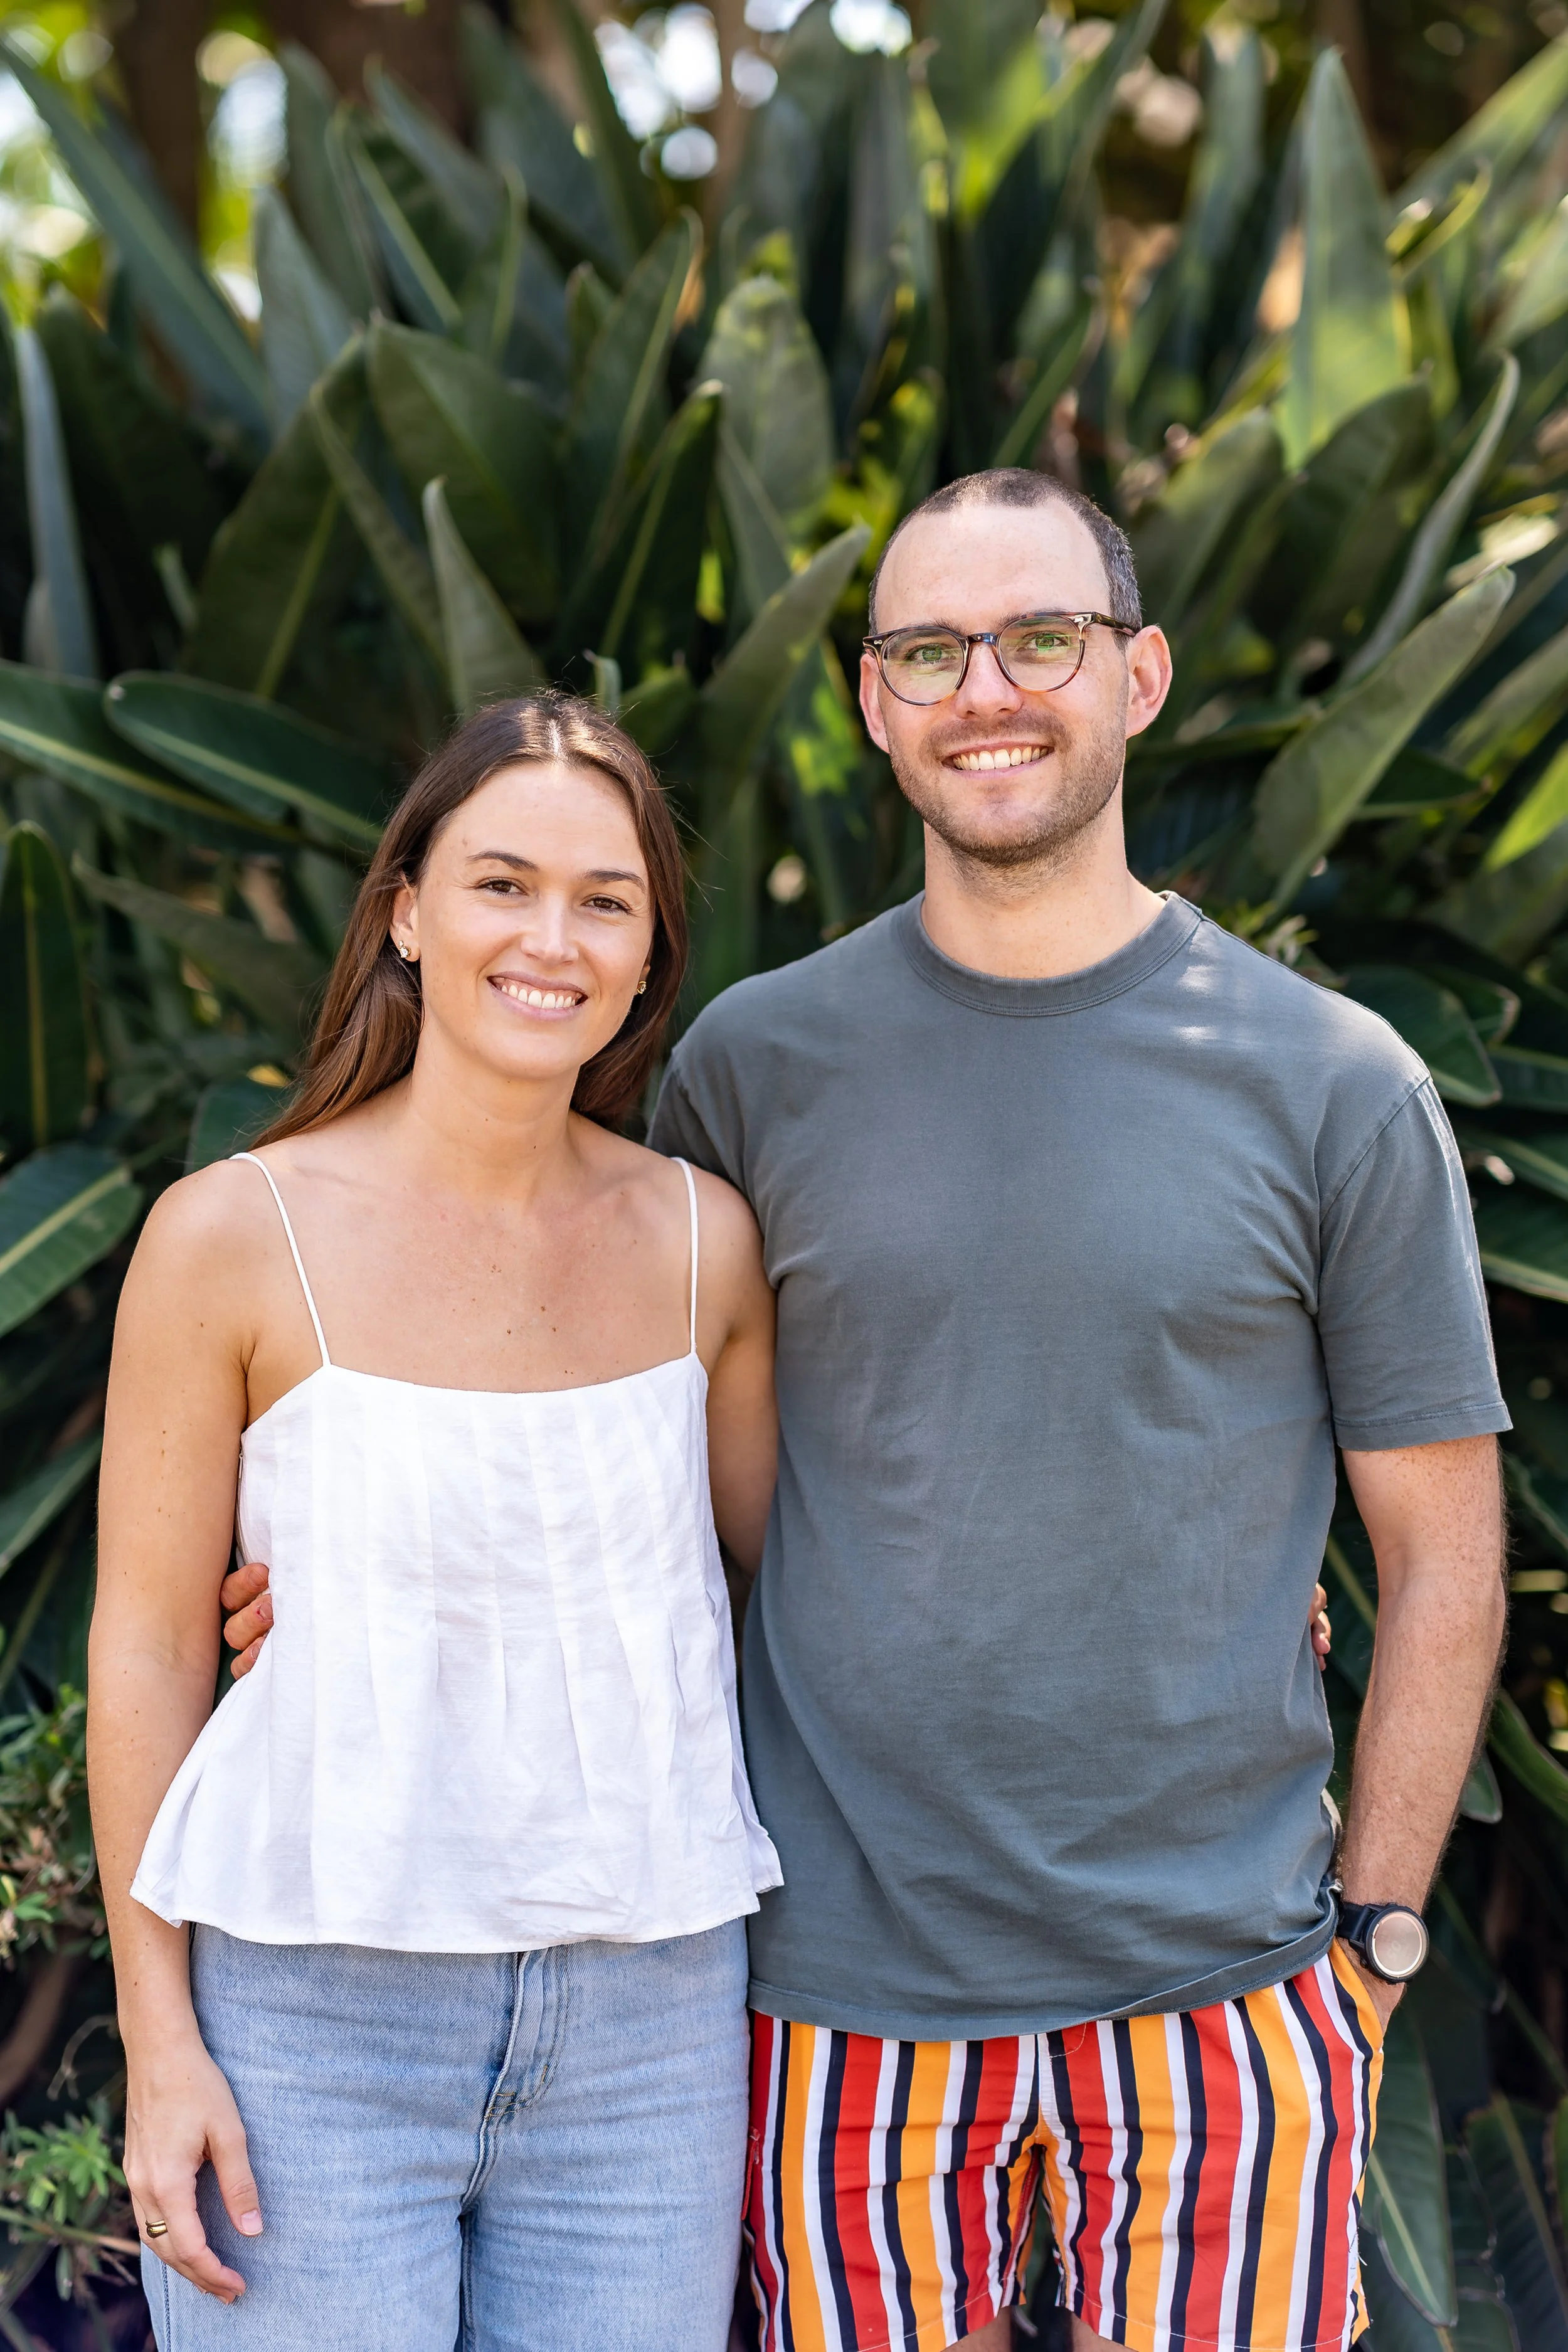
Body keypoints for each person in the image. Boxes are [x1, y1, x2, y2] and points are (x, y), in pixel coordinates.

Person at [222, 470, 1507, 2352]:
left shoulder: (1332, 1083)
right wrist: (327, 1575)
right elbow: (606, 1440)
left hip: (1228, 1997)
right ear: (873, 700)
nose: (986, 685)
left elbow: (1444, 1554)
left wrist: (1373, 1947)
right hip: (837, 2003)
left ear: (1137, 675)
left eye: (1041, 637)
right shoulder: (749, 1065)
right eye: (928, 646)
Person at [88, 694, 781, 2351]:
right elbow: (144, 1647)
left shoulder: (705, 1241)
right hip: (310, 2016)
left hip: (649, 2028)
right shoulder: (232, 1236)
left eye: (604, 900)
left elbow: (800, 1586)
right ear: (404, 909)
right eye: (500, 882)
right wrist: (159, 2038)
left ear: (644, 958)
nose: (550, 936)